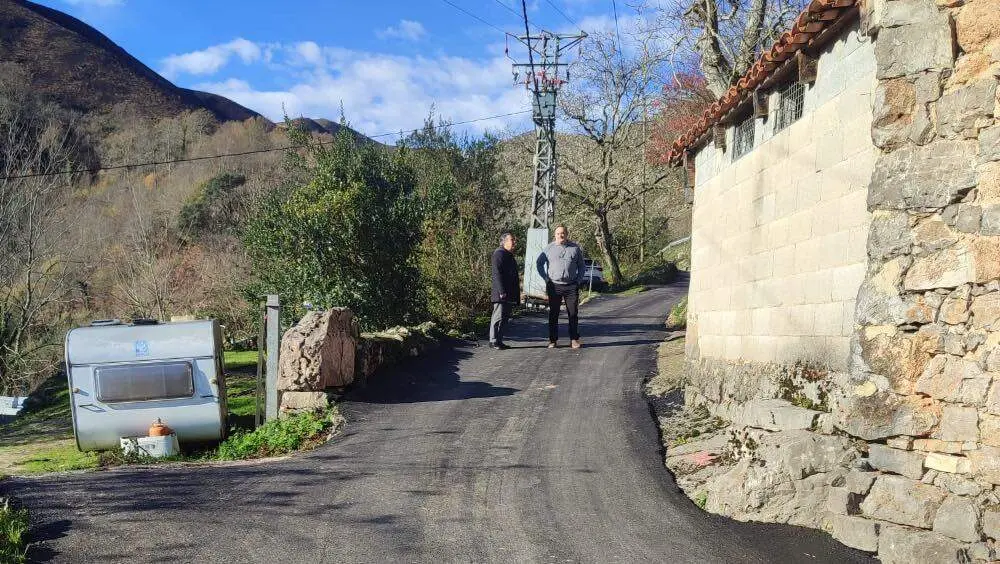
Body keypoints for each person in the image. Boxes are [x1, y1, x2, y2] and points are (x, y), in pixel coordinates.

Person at [536, 224, 585, 349]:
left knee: (573, 314)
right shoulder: (549, 248)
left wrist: (578, 281)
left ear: (567, 234)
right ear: (555, 235)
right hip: (554, 286)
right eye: (558, 233)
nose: (560, 235)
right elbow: (539, 263)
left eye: (563, 233)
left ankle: (574, 339)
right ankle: (553, 340)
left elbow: (582, 266)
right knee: (554, 314)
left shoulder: (575, 248)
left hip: (571, 286)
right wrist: (546, 279)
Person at [489, 232, 519, 350]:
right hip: (501, 293)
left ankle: (499, 340)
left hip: (509, 293)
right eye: (512, 240)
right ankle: (493, 341)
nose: (514, 242)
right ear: (504, 241)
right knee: (498, 317)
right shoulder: (499, 254)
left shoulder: (509, 255)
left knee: (505, 318)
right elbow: (497, 274)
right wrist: (501, 291)